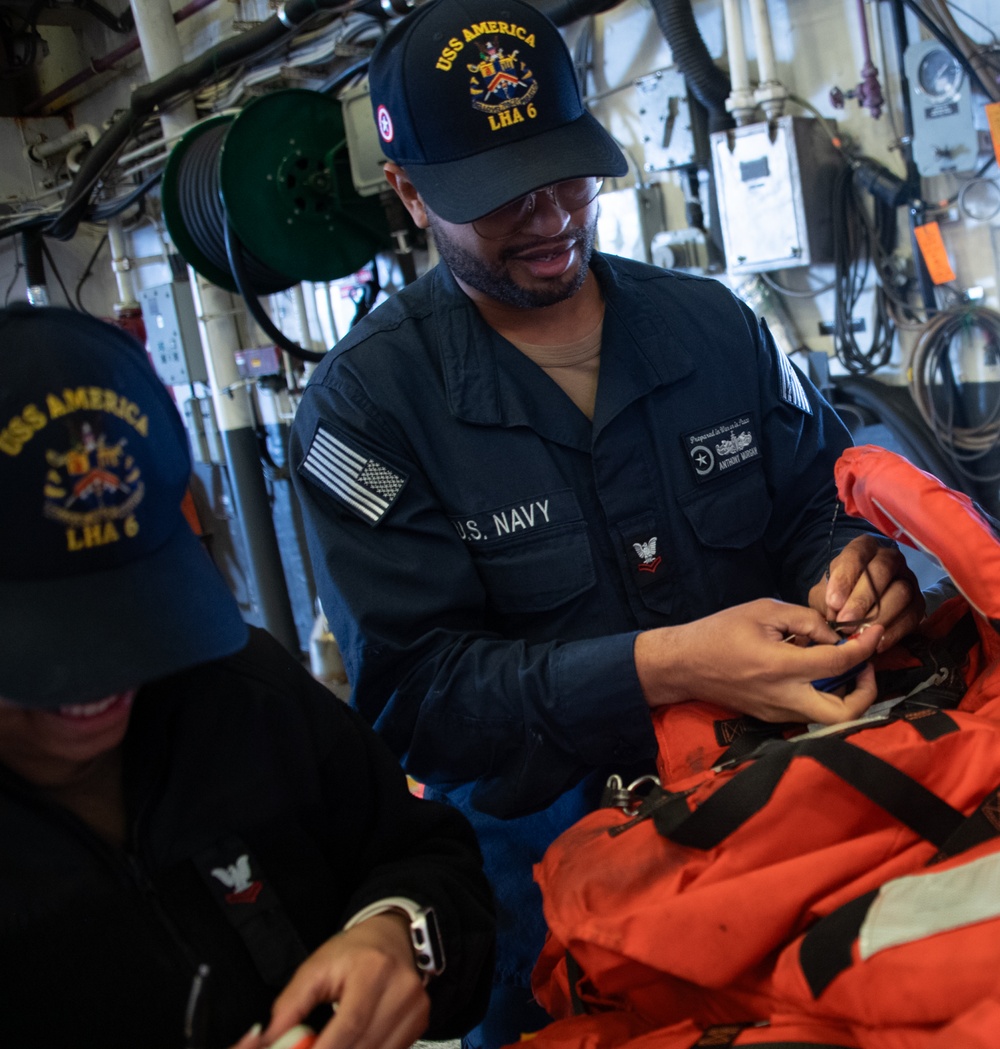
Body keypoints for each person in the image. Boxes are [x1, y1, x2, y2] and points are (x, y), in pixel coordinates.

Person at [288, 0, 924, 1044]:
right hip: (547, 896)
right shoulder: (369, 408)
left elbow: (816, 502)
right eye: (499, 197)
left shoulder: (714, 327)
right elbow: (422, 698)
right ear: (408, 194)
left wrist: (855, 566)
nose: (547, 215)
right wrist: (665, 664)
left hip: (786, 833)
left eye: (564, 174)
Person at [0, 302, 495, 1049]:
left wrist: (398, 934)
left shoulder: (244, 695)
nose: (99, 679)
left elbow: (430, 860)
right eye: (45, 639)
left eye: (129, 612)